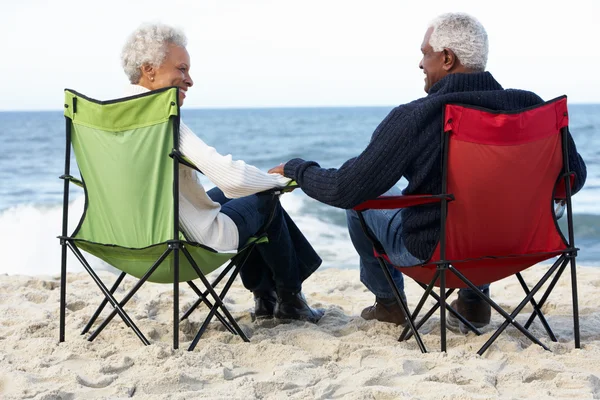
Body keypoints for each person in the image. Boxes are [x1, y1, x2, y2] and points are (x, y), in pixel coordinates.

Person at [269, 12, 587, 331]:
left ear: (447, 58)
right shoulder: (531, 107)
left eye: (425, 53)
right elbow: (574, 180)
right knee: (480, 201)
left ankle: (389, 304)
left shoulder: (418, 117)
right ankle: (474, 303)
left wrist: (298, 168)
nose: (421, 64)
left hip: (437, 257)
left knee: (360, 206)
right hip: (520, 248)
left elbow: (345, 189)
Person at [120, 23, 324, 323]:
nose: (189, 80)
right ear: (149, 69)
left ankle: (266, 297)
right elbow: (232, 178)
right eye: (182, 69)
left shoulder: (108, 117)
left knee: (233, 197)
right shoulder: (160, 118)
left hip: (128, 241)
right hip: (179, 243)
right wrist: (278, 181)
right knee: (263, 195)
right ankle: (290, 298)